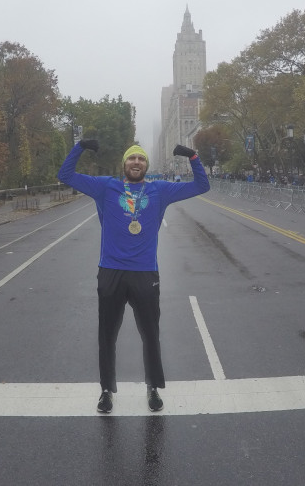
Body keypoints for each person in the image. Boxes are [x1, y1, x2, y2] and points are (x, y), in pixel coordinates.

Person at [58, 139, 210, 413]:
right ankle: (106, 390)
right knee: (107, 335)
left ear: (146, 165)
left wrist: (194, 157)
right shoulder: (106, 187)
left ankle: (153, 388)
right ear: (124, 164)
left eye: (141, 159)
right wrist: (79, 146)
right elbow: (65, 175)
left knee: (150, 334)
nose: (136, 163)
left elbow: (202, 186)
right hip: (111, 271)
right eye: (131, 159)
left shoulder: (159, 190)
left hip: (144, 273)